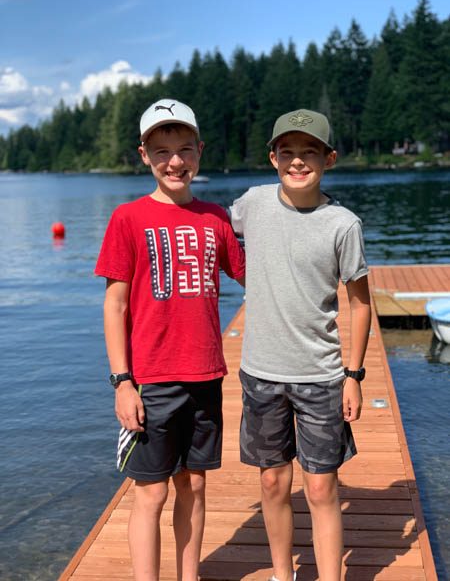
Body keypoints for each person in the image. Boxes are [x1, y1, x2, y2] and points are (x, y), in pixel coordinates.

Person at [95, 98, 245, 581]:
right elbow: (115, 306)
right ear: (144, 155)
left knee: (194, 486)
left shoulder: (216, 218)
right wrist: (122, 382)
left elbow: (256, 276)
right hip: (151, 379)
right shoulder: (128, 218)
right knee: (152, 491)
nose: (174, 161)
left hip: (205, 373)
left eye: (184, 149)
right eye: (162, 151)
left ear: (200, 151)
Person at [230, 108, 371, 581]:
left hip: (322, 377)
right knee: (273, 482)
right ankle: (281, 574)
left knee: (321, 488)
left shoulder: (343, 224)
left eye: (309, 152)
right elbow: (213, 232)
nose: (297, 161)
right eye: (287, 151)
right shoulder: (252, 204)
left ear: (328, 159)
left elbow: (360, 305)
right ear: (272, 158)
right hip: (261, 374)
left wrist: (354, 376)